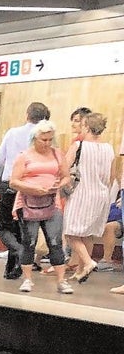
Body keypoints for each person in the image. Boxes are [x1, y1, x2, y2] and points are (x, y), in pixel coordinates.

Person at [0, 102, 50, 280]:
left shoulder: (13, 133)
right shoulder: (45, 138)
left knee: (4, 227)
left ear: (27, 114)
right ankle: (14, 268)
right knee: (24, 227)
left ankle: (18, 252)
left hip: (10, 184)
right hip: (33, 186)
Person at [8, 120, 72, 294]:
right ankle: (27, 279)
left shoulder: (58, 154)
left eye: (50, 139)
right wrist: (33, 189)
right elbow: (14, 181)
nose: (47, 143)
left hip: (52, 202)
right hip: (28, 203)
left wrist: (57, 186)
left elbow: (66, 176)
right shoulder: (24, 156)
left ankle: (61, 280)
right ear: (34, 138)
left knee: (55, 241)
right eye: (43, 140)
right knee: (29, 241)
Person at [62, 112, 115, 282]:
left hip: (82, 193)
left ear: (86, 126)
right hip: (102, 194)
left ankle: (88, 262)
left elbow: (64, 167)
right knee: (87, 233)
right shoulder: (109, 148)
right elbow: (111, 176)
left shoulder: (79, 145)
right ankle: (81, 270)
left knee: (71, 232)